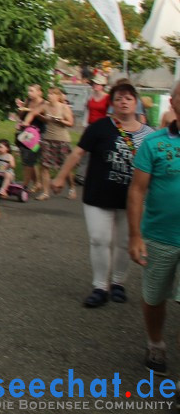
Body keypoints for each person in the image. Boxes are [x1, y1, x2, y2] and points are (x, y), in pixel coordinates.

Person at [52, 83, 152, 308]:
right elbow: (78, 153)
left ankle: (118, 283)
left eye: (128, 98)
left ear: (136, 102)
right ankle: (100, 286)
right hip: (98, 195)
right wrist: (60, 177)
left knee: (125, 243)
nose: (123, 102)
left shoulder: (149, 135)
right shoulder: (99, 127)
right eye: (118, 98)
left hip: (131, 200)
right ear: (112, 104)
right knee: (99, 239)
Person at [127, 81, 180, 373]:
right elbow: (136, 191)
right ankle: (156, 343)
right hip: (160, 237)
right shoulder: (154, 143)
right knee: (154, 298)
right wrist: (135, 235)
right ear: (172, 102)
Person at [42, 86, 76, 199]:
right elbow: (33, 112)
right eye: (48, 94)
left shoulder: (64, 107)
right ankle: (45, 192)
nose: (49, 96)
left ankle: (72, 188)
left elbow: (71, 123)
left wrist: (60, 120)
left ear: (58, 96)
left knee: (65, 166)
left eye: (52, 94)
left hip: (62, 140)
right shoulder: (45, 105)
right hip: (48, 138)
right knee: (44, 166)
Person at [16, 84, 48, 195]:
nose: (29, 93)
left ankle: (27, 185)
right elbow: (21, 116)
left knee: (31, 158)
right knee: (27, 159)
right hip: (26, 133)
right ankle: (36, 183)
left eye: (32, 91)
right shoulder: (27, 101)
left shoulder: (44, 103)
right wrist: (21, 108)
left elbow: (46, 120)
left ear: (39, 92)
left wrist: (35, 112)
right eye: (28, 91)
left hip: (39, 134)